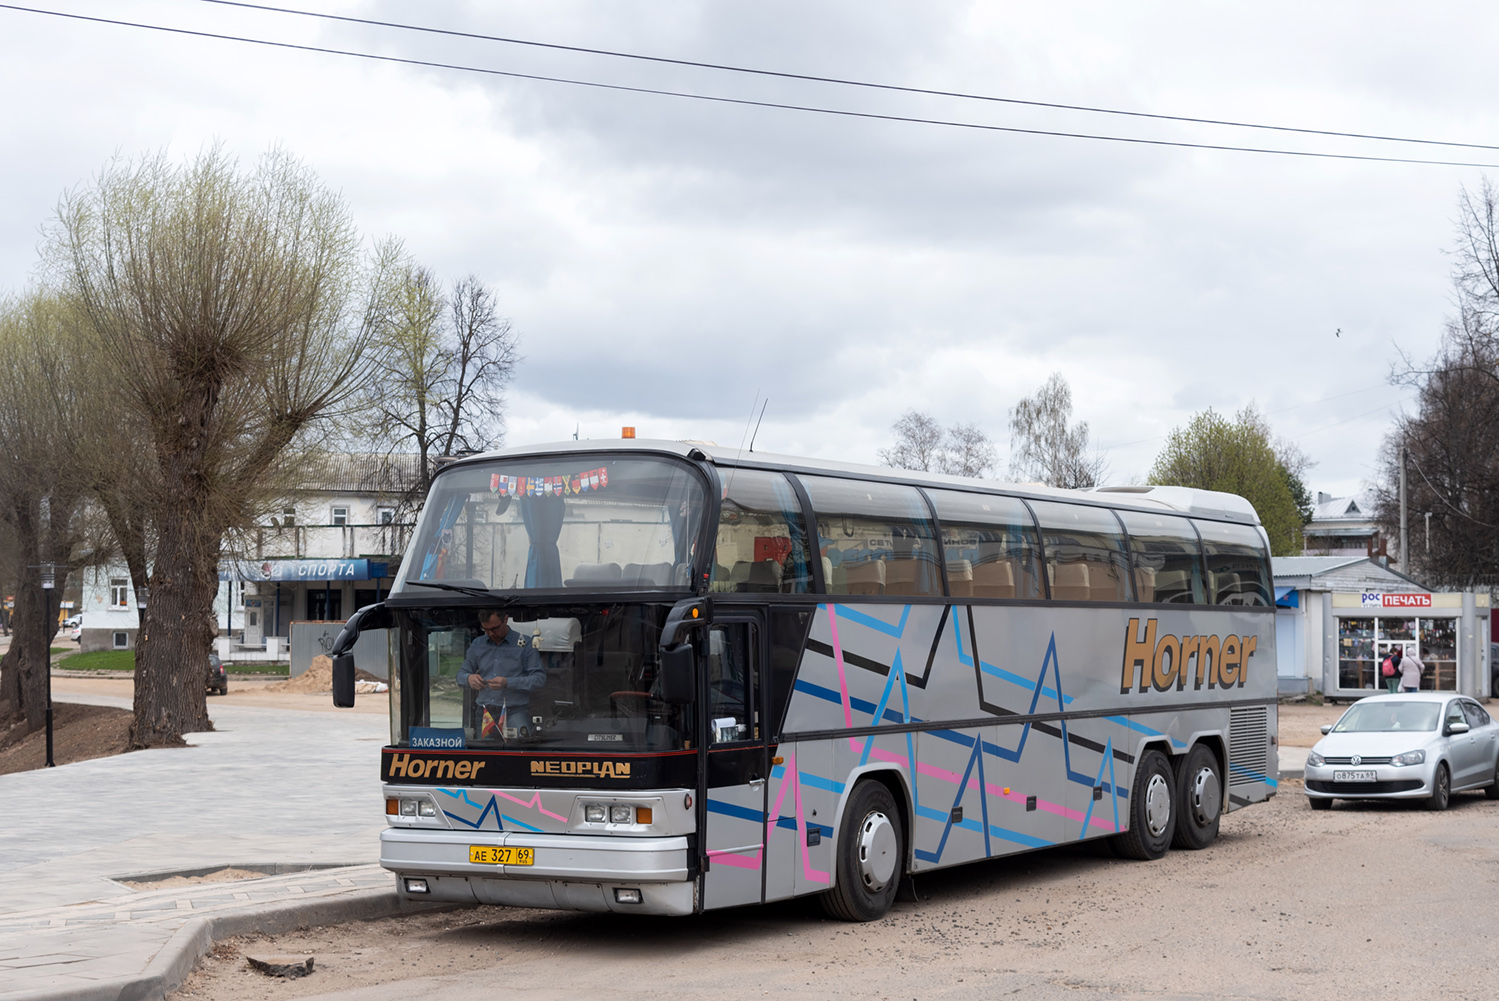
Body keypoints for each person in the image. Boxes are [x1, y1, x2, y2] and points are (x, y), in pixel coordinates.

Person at [457, 610, 546, 738]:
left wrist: (508, 683)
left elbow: (539, 679)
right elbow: (460, 675)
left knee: (521, 752)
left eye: (495, 628)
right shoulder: (478, 644)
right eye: (486, 630)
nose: (491, 634)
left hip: (515, 711)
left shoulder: (525, 644)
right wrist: (469, 678)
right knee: (483, 754)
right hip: (485, 712)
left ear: (505, 619)